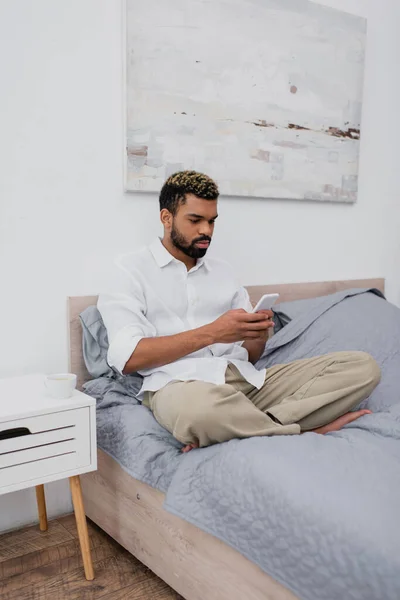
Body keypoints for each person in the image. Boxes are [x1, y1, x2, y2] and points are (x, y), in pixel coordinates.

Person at [98, 170, 381, 452]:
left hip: (243, 381)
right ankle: (300, 431)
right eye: (195, 220)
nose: (206, 231)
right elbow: (129, 357)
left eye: (211, 221)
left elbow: (250, 354)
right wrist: (212, 333)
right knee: (201, 412)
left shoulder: (224, 272)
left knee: (362, 368)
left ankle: (247, 427)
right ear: (166, 217)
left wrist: (257, 333)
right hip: (179, 386)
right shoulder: (129, 271)